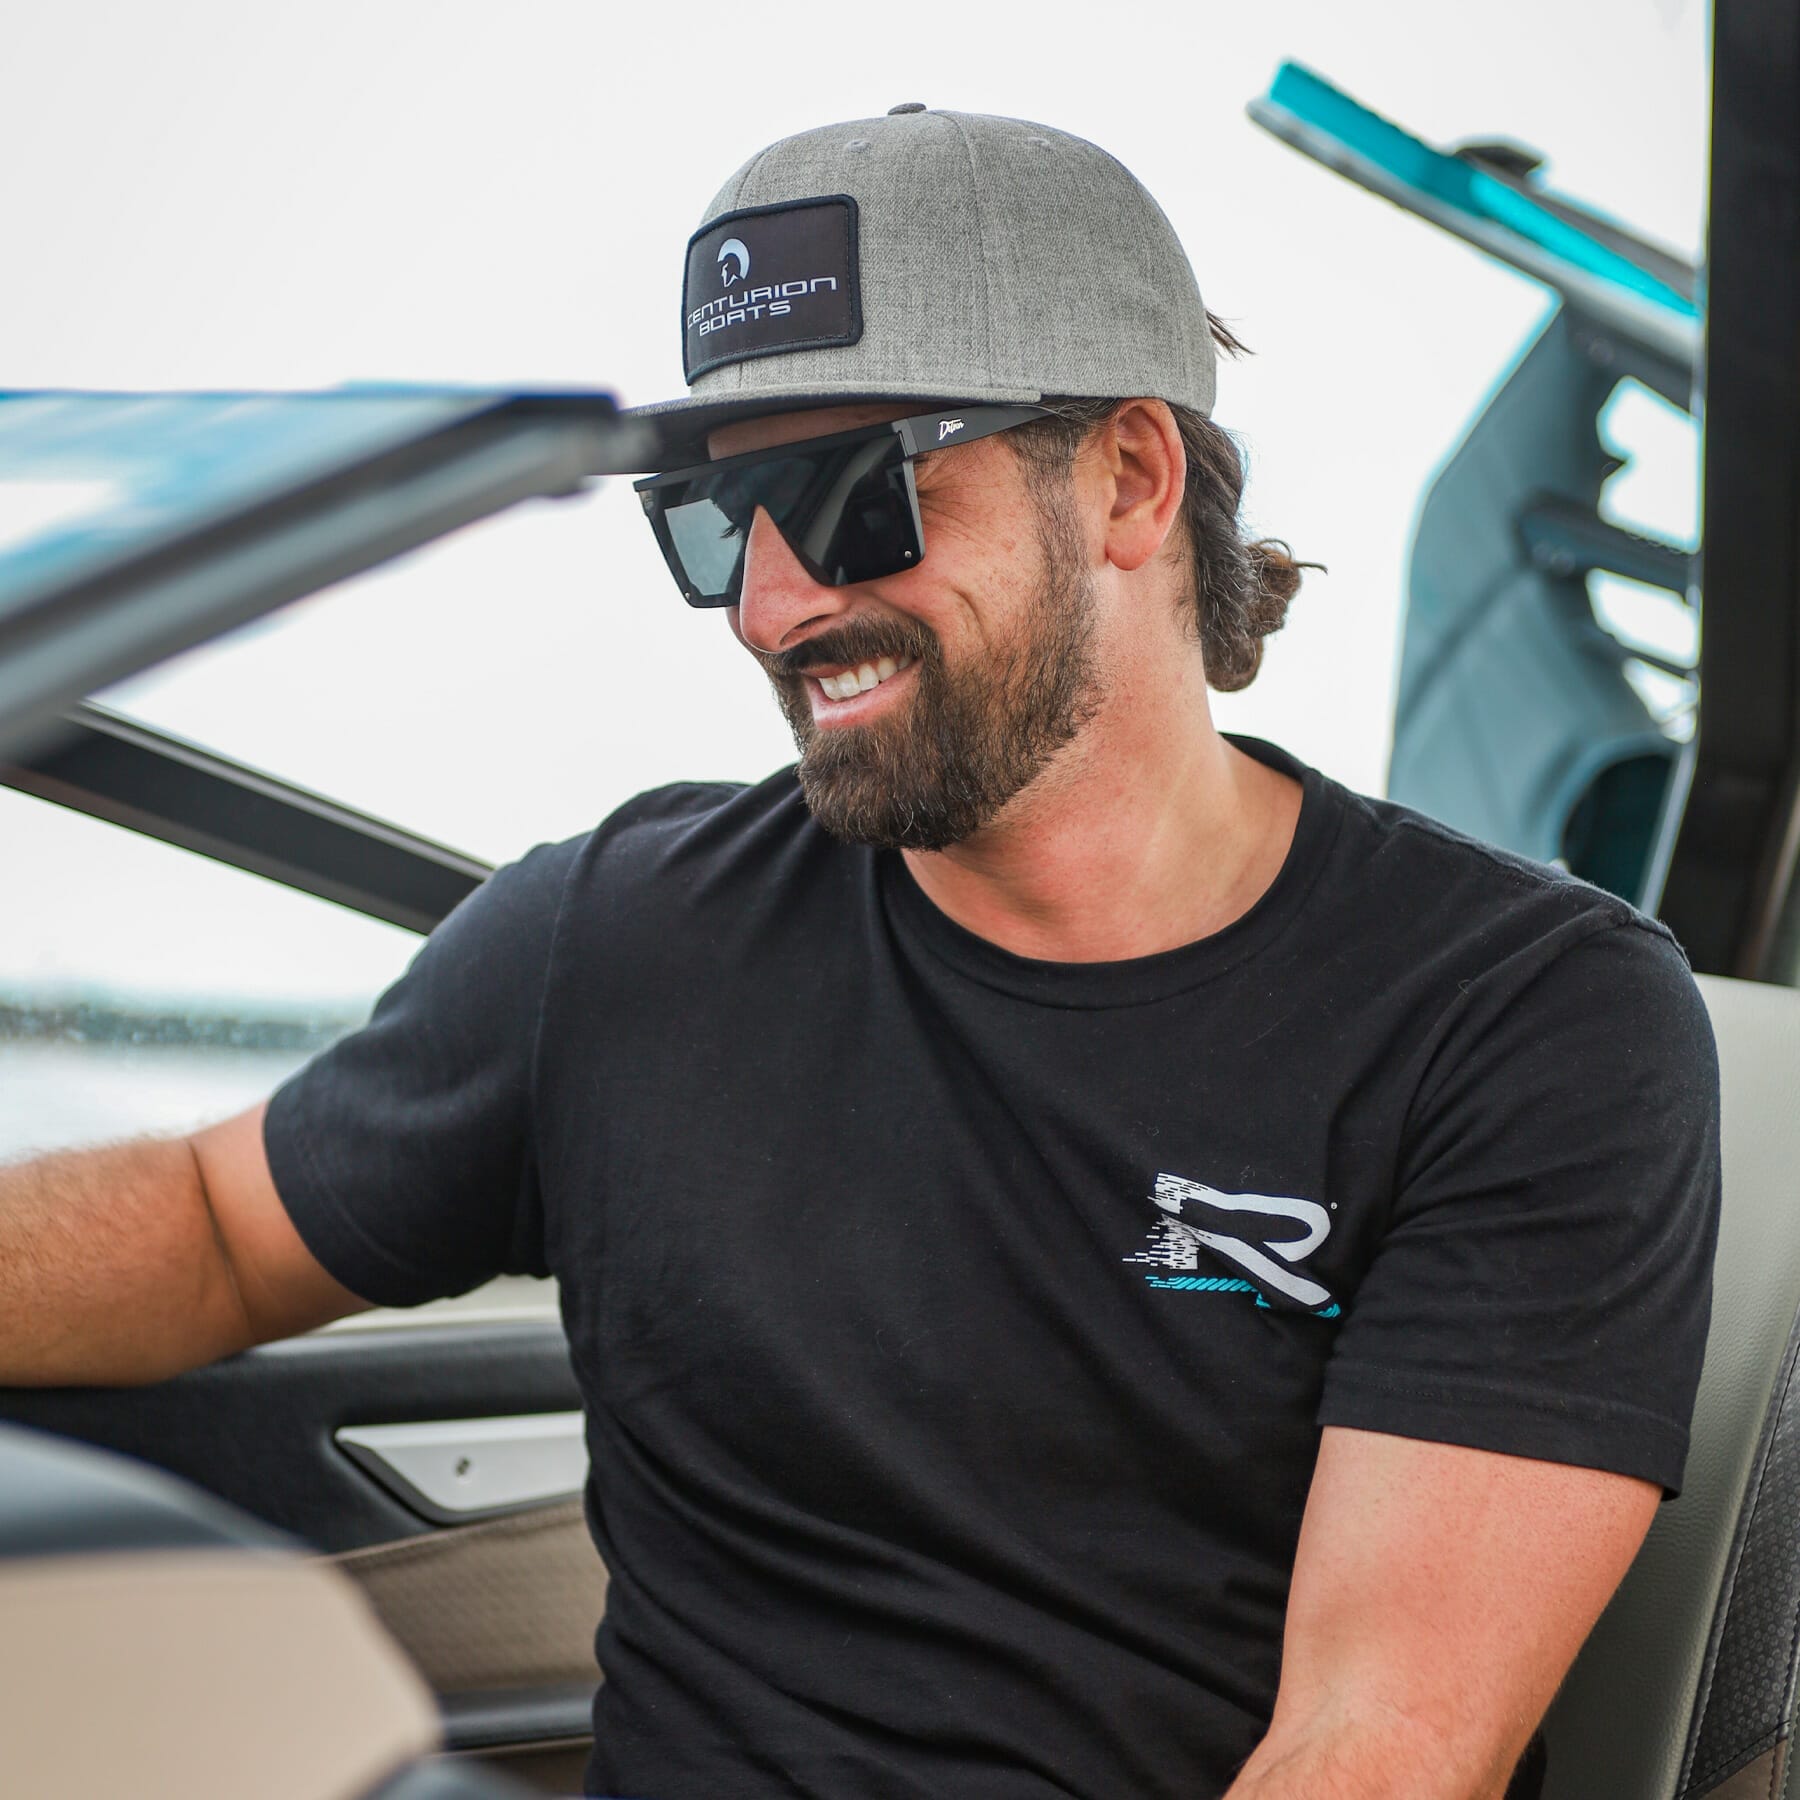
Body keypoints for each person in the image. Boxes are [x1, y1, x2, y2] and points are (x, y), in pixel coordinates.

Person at [0, 107, 1719, 1800]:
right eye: (714, 515)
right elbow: (219, 1230)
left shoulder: (1520, 1022)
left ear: (1129, 477)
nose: (769, 602)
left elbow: (1378, 1748)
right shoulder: (620, 931)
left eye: (848, 493)